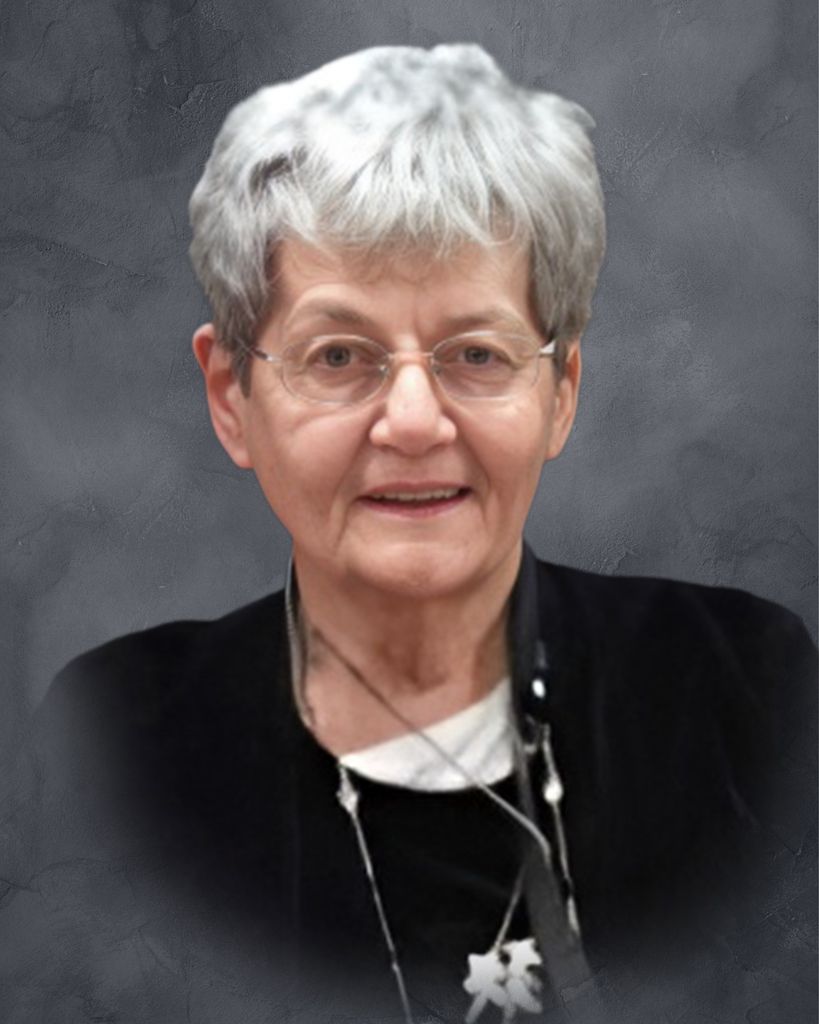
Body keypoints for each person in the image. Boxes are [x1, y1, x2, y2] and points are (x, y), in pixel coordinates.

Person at [35, 44, 816, 1024]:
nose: (412, 422)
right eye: (338, 355)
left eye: (476, 354)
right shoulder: (116, 743)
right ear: (232, 397)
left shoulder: (746, 695)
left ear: (560, 391)